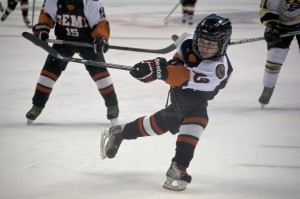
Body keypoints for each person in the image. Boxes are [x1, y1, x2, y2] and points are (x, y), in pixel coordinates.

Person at [100, 14, 233, 191]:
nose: (203, 48)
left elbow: (182, 77)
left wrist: (159, 72)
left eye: (211, 45)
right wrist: (155, 67)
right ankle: (178, 167)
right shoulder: (189, 41)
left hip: (197, 91)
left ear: (223, 45)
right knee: (198, 117)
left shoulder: (217, 70)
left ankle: (121, 132)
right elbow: (177, 61)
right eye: (202, 41)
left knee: (163, 122)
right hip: (185, 94)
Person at [26, 0, 119, 125]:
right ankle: (37, 105)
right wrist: (43, 29)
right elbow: (46, 17)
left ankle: (112, 105)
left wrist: (101, 38)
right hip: (63, 41)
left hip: (88, 42)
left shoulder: (90, 2)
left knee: (99, 72)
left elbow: (100, 24)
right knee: (49, 72)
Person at [258, 0, 300, 108]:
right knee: (275, 55)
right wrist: (271, 25)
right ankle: (268, 87)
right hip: (281, 23)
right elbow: (268, 7)